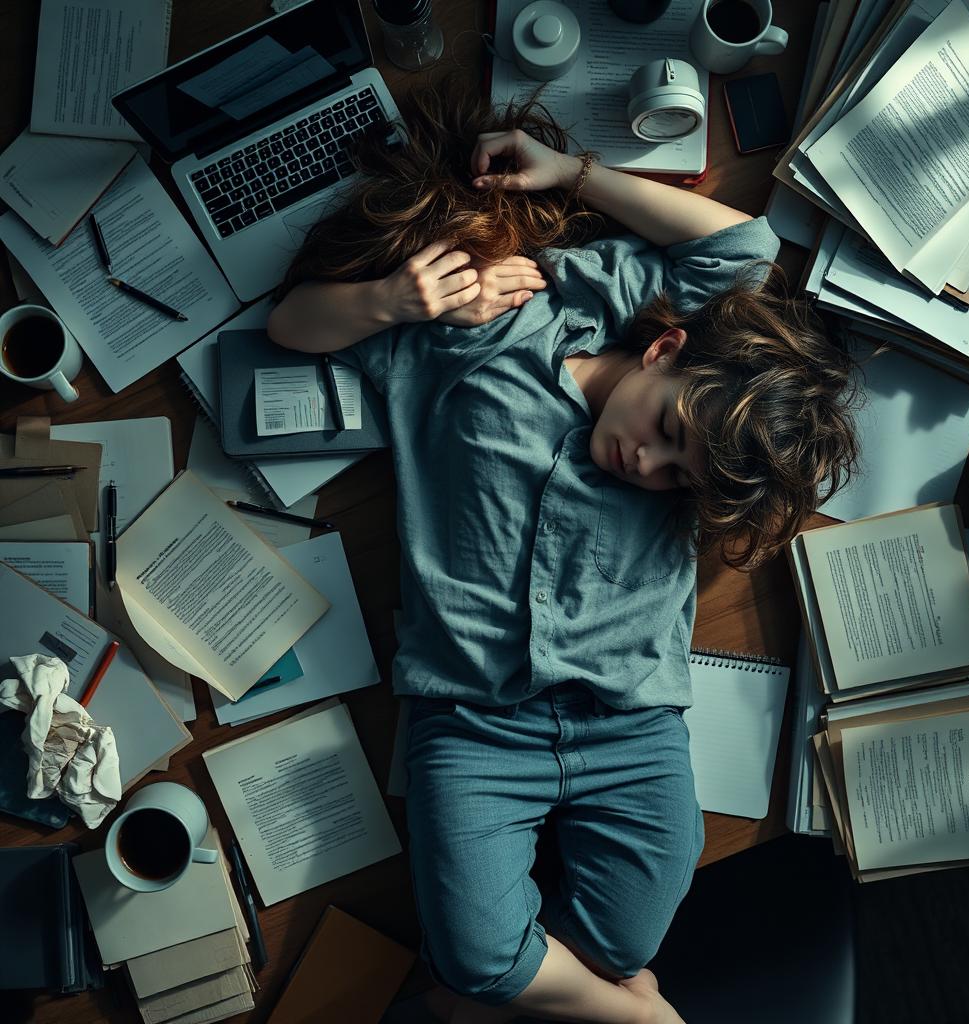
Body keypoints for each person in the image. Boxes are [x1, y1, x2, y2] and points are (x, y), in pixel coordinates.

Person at [269, 87, 859, 1024]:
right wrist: (395, 296)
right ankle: (607, 1011)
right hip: (470, 719)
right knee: (480, 954)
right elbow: (291, 327)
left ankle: (503, 1000)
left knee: (625, 932)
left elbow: (739, 253)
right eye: (666, 430)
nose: (648, 464)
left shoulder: (689, 440)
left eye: (675, 477)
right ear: (665, 352)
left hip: (628, 720)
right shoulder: (494, 328)